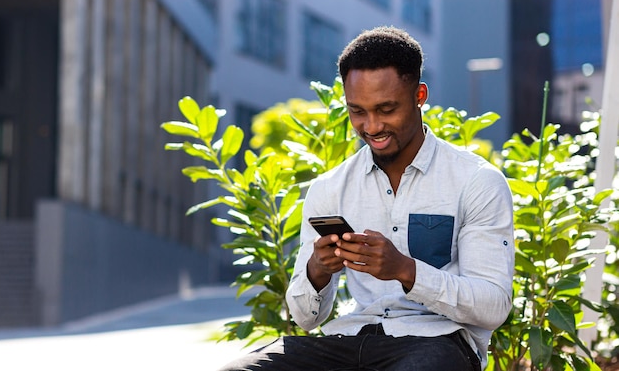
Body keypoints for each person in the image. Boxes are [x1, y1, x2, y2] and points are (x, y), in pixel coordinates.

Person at [219, 26, 514, 371]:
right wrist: (318, 271)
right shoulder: (330, 188)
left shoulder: (476, 182)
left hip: (436, 343)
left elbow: (493, 306)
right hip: (350, 340)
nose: (371, 127)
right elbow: (305, 319)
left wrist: (405, 270)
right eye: (357, 111)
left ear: (419, 96)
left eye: (386, 109)